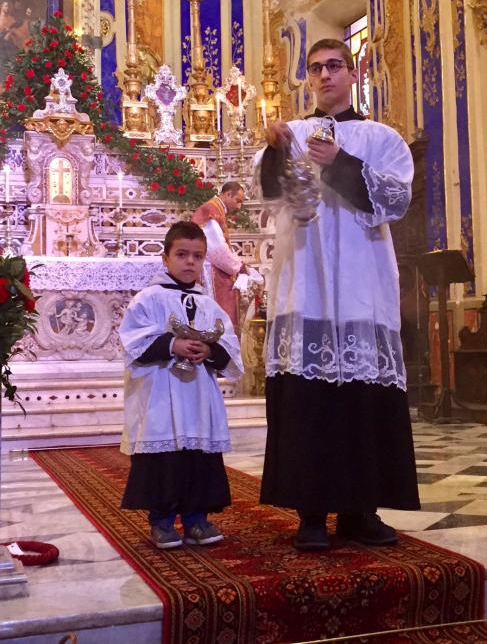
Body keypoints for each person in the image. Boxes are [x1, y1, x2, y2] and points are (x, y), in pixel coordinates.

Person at [258, 38, 420, 550]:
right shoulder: (293, 132)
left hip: (361, 284)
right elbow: (270, 196)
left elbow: (395, 200)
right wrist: (276, 153)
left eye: (334, 66)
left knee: (362, 399)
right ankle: (310, 516)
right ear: (308, 78)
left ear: (352, 75)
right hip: (306, 279)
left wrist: (340, 160)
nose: (325, 75)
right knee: (311, 401)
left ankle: (360, 512)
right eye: (315, 68)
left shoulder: (381, 136)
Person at [119, 221, 243, 549]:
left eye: (197, 256)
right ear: (165, 257)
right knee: (164, 460)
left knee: (198, 457)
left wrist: (210, 349)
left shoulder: (208, 303)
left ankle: (196, 519)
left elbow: (228, 343)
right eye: (182, 254)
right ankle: (161, 521)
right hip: (161, 392)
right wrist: (172, 345)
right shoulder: (147, 299)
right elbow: (132, 340)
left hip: (198, 397)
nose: (190, 262)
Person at [191, 181, 247, 329]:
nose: (239, 206)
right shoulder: (212, 211)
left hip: (211, 267)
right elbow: (216, 249)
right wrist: (239, 266)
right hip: (210, 272)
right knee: (215, 321)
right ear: (228, 194)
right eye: (238, 200)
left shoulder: (216, 209)